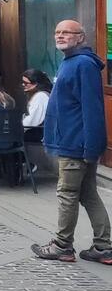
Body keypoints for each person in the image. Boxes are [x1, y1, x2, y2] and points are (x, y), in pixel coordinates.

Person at [34, 21, 112, 264]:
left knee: (66, 192)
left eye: (67, 32)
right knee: (88, 193)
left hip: (76, 144)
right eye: (57, 32)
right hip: (73, 141)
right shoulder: (71, 61)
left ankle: (62, 245)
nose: (60, 36)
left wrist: (92, 148)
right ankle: (103, 247)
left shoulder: (83, 65)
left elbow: (93, 109)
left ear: (81, 37)